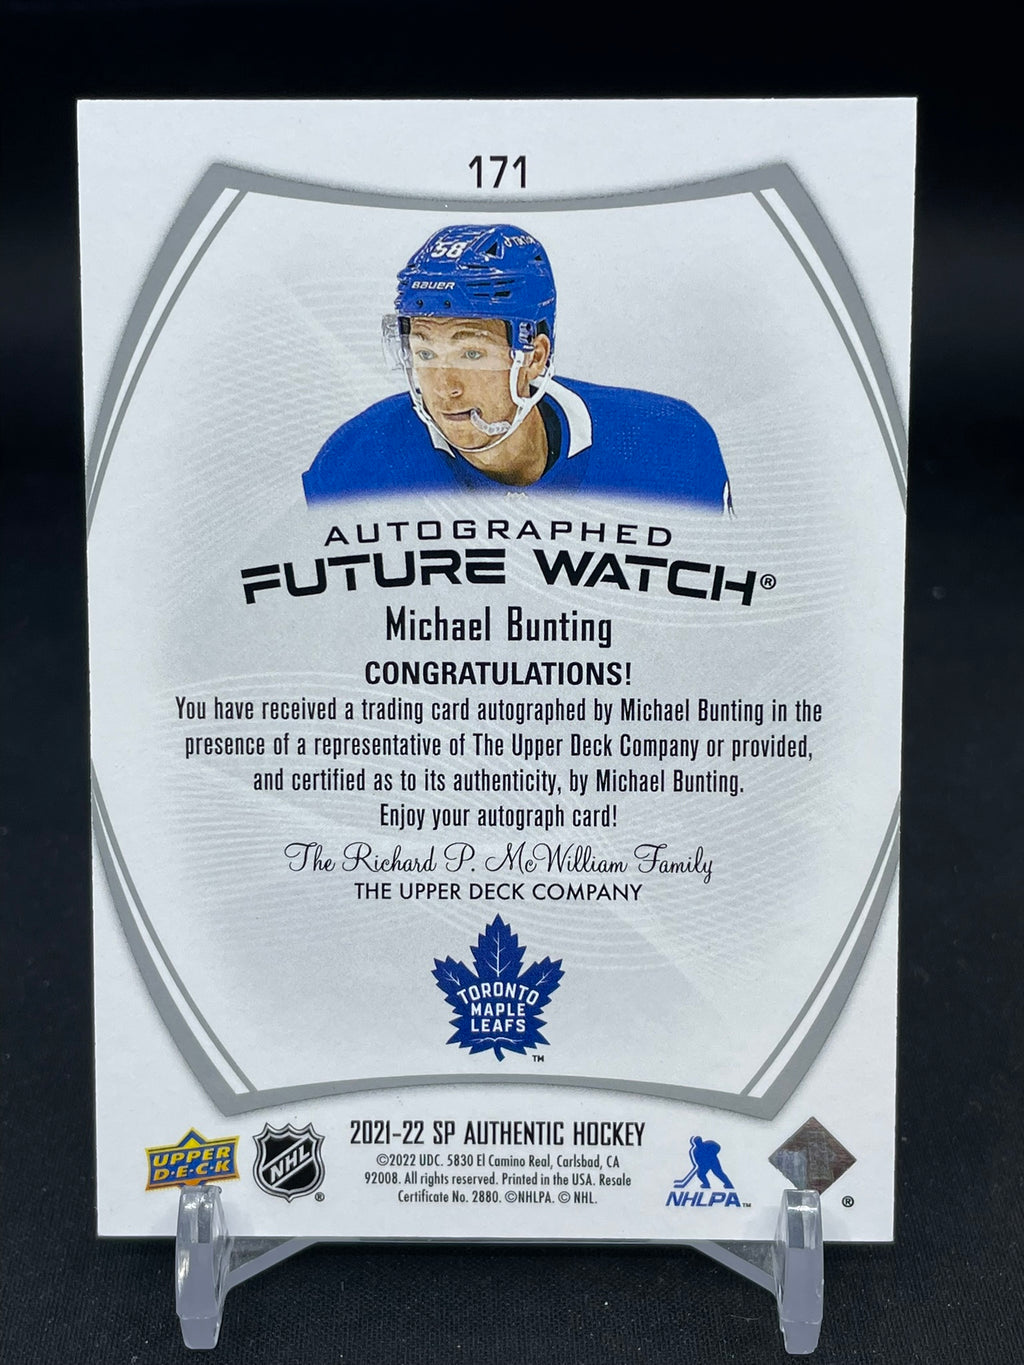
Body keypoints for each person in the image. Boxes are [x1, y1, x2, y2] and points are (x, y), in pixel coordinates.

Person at [303, 223, 731, 509]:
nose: (444, 388)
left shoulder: (671, 446)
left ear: (535, 357)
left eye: (472, 354)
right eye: (425, 353)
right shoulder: (354, 466)